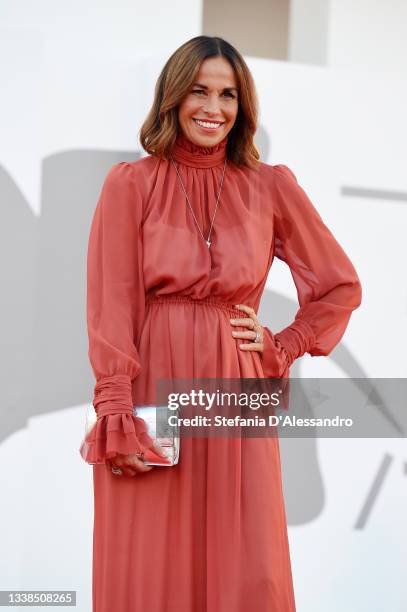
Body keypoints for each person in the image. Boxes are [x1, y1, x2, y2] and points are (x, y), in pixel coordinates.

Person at [80, 35, 362, 612]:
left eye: (228, 94)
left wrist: (283, 344)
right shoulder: (130, 184)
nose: (214, 107)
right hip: (152, 385)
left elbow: (337, 285)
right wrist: (115, 409)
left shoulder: (269, 185)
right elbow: (111, 302)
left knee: (248, 563)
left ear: (244, 106)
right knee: (151, 557)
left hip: (236, 388)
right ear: (173, 97)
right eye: (200, 90)